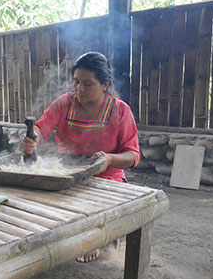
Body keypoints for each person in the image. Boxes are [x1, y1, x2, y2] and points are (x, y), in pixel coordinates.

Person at [19, 52, 141, 263]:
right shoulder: (64, 103)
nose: (79, 89)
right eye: (76, 82)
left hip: (106, 176)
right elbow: (42, 127)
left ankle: (93, 238)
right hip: (67, 171)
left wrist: (110, 160)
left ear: (105, 85)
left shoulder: (120, 111)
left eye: (87, 84)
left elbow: (133, 155)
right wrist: (33, 139)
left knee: (93, 204)